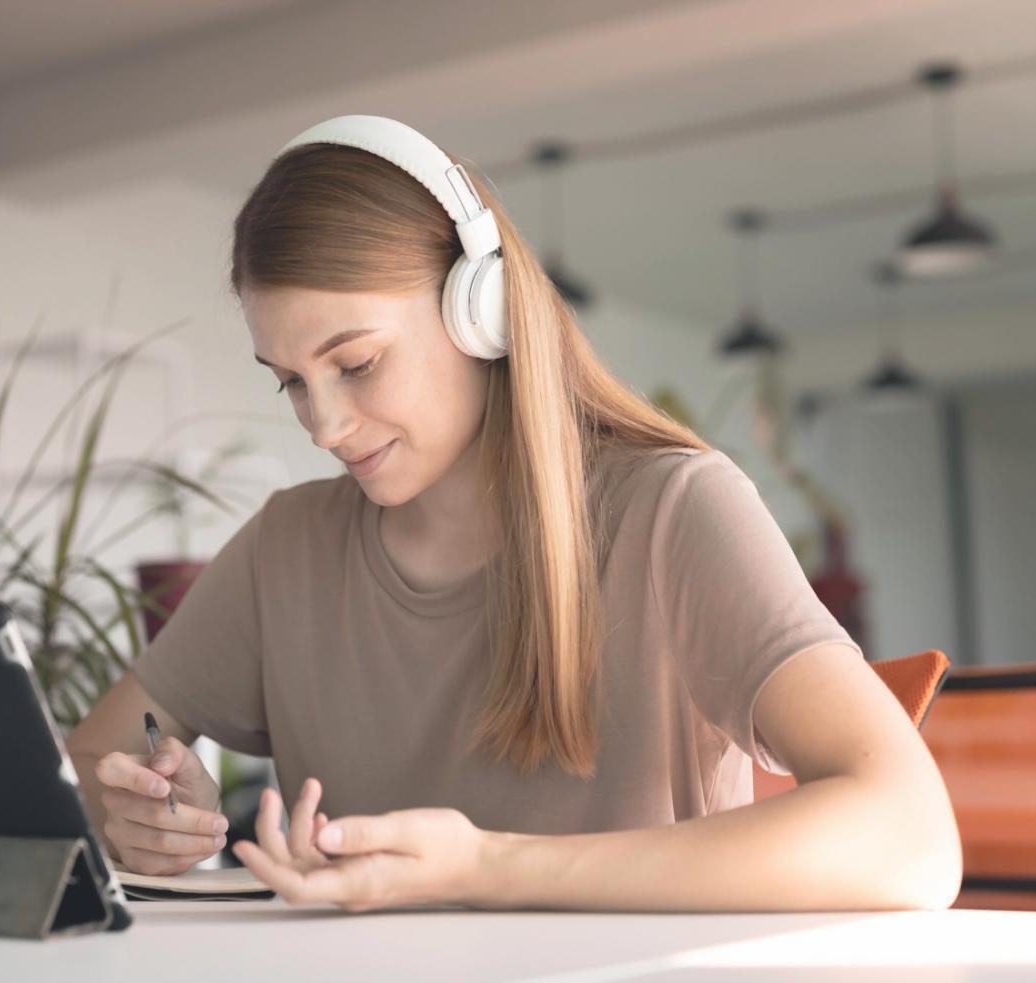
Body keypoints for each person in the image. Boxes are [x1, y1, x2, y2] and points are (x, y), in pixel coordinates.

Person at [66, 115, 961, 913]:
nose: (324, 425)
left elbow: (913, 840)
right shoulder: (286, 546)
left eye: (359, 362)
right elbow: (83, 773)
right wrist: (139, 814)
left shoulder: (675, 509)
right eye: (293, 383)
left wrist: (483, 866)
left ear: (480, 308)